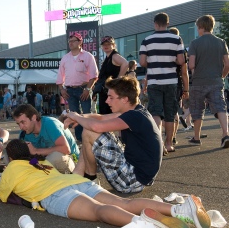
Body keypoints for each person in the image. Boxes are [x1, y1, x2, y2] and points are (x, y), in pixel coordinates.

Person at [0, 139, 211, 228]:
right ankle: (178, 209)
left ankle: (144, 223)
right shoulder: (40, 163)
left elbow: (3, 196)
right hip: (75, 182)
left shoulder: (11, 169)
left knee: (98, 212)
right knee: (123, 202)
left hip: (54, 195)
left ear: (11, 157)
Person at [63, 76, 162, 194]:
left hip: (132, 180)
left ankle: (90, 180)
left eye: (111, 97)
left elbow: (96, 127)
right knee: (90, 128)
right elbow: (101, 118)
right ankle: (78, 175)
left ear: (125, 99)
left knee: (89, 132)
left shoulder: (135, 116)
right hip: (136, 176)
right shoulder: (137, 112)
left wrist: (76, 117)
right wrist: (80, 117)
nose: (106, 101)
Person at [139, 12, 187, 153]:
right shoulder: (177, 39)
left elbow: (142, 62)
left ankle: (158, 144)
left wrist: (154, 63)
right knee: (170, 113)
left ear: (155, 23)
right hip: (171, 81)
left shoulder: (147, 40)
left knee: (156, 113)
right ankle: (168, 144)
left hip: (154, 81)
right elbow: (181, 61)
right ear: (167, 23)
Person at [187, 14, 229, 148]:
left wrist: (194, 72)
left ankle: (196, 137)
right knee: (220, 106)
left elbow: (191, 65)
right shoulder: (221, 42)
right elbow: (227, 64)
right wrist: (222, 76)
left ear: (200, 27)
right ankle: (225, 133)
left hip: (199, 82)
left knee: (197, 109)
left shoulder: (195, 43)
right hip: (216, 81)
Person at [56, 32, 99, 142]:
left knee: (86, 113)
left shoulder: (88, 56)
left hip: (83, 88)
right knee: (74, 115)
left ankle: (90, 137)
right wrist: (62, 89)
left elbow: (94, 75)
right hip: (69, 90)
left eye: (73, 41)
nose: (70, 43)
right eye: (69, 41)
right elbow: (60, 75)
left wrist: (88, 89)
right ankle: (80, 138)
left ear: (80, 42)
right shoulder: (65, 58)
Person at [13, 104, 78, 174]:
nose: (21, 127)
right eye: (18, 124)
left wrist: (36, 151)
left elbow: (65, 149)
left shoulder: (50, 124)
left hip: (72, 161)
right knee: (11, 154)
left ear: (34, 117)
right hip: (45, 162)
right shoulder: (24, 134)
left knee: (55, 157)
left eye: (23, 122)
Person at [93, 36, 128, 115]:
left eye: (108, 44)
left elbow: (125, 64)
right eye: (104, 44)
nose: (106, 46)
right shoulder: (107, 58)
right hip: (107, 91)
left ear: (113, 45)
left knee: (110, 114)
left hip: (112, 91)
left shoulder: (114, 56)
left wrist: (118, 79)